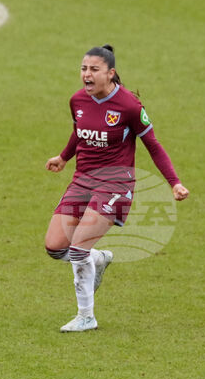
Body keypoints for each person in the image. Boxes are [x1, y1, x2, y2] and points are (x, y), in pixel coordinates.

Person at [44, 44, 189, 332]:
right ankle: (99, 258)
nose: (87, 74)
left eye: (94, 69)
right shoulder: (77, 101)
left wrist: (174, 182)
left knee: (76, 250)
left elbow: (153, 146)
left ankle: (86, 316)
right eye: (84, 68)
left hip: (115, 184)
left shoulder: (129, 107)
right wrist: (63, 157)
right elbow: (79, 132)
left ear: (110, 74)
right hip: (82, 180)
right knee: (55, 247)